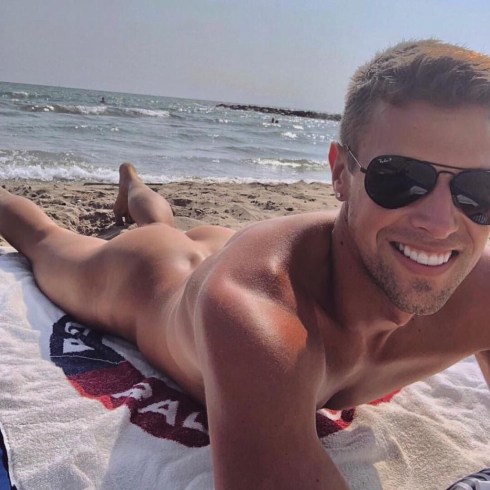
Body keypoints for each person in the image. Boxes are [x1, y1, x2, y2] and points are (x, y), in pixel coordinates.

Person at [1, 39, 490, 489]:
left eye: (479, 188)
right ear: (341, 173)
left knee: (161, 223)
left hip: (236, 249)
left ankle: (134, 187)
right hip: (152, 276)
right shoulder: (257, 313)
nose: (439, 223)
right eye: (400, 178)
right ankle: (123, 197)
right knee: (48, 242)